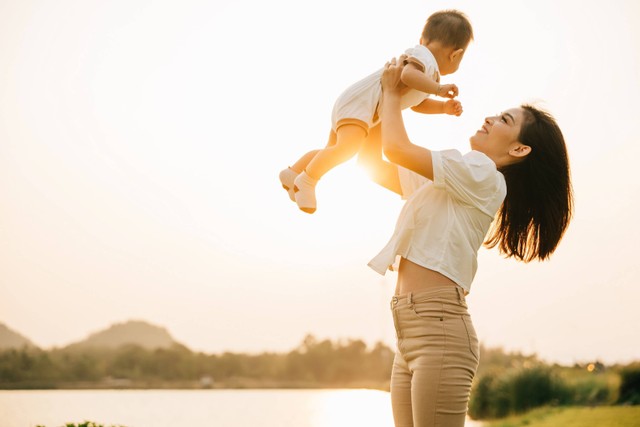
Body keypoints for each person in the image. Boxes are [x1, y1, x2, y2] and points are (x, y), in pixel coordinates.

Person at [357, 57, 573, 427]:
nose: (490, 118)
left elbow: (396, 149)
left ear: (519, 150)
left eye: (505, 120)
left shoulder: (483, 175)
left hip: (439, 330)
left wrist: (394, 94)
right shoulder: (455, 177)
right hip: (409, 330)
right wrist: (391, 93)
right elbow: (372, 160)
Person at [279, 10, 473, 213]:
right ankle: (307, 181)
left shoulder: (427, 71)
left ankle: (293, 173)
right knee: (347, 149)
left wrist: (442, 107)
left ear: (422, 38)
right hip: (361, 105)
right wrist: (439, 90)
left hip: (357, 104)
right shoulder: (425, 58)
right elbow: (407, 75)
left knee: (334, 149)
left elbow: (416, 104)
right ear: (456, 54)